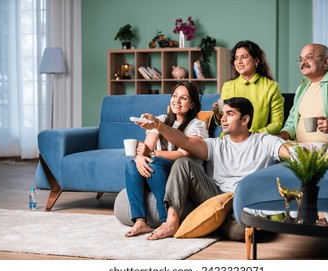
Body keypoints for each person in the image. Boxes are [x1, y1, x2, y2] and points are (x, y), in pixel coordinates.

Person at [136, 97, 291, 240]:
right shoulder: (216, 144)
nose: (223, 119)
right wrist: (158, 125)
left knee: (239, 232)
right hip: (214, 197)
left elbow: (292, 153)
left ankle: (216, 225)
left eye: (229, 114)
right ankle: (171, 222)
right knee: (183, 163)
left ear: (245, 119)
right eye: (223, 114)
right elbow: (185, 141)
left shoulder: (264, 141)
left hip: (243, 201)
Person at [124, 82, 208, 237]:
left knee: (155, 163)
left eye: (183, 98)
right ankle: (140, 221)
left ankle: (165, 221)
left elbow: (184, 154)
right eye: (175, 96)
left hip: (181, 174)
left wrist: (152, 154)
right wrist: (139, 158)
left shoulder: (197, 125)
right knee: (131, 165)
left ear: (192, 105)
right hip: (159, 169)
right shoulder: (161, 119)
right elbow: (147, 147)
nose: (177, 101)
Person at [212, 40, 284, 134]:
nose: (239, 62)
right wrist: (217, 114)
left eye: (244, 57)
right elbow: (222, 120)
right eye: (236, 58)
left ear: (256, 61)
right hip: (230, 140)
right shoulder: (227, 86)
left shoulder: (271, 87)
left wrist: (255, 136)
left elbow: (277, 123)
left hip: (258, 141)